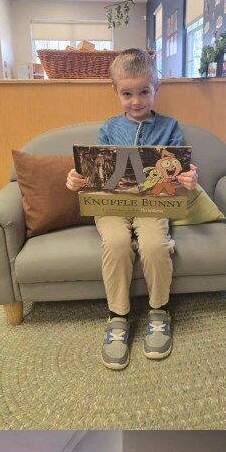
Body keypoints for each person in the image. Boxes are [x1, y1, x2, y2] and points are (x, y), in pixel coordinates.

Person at [66, 48, 198, 370]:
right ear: (116, 91)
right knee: (116, 242)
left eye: (143, 92)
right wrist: (76, 179)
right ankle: (118, 316)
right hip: (111, 205)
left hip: (152, 205)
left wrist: (189, 177)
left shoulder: (169, 127)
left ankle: (158, 310)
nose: (136, 101)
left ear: (156, 89)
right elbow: (95, 171)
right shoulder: (109, 128)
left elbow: (180, 169)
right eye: (127, 94)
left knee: (154, 245)